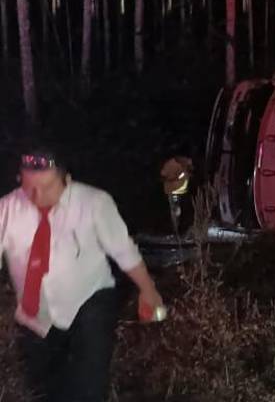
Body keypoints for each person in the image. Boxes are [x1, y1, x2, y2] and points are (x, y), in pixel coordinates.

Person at [2, 146, 165, 401]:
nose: (38, 196)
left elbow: (123, 250)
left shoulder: (94, 203)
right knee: (45, 390)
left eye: (48, 188)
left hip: (89, 301)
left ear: (66, 180)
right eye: (30, 187)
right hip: (35, 315)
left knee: (87, 386)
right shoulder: (8, 209)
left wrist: (148, 290)